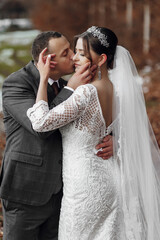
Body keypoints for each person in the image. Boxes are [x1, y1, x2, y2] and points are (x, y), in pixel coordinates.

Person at [27, 26, 160, 239]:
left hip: (85, 188)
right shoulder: (115, 90)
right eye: (75, 52)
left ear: (101, 59)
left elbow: (41, 122)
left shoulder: (86, 92)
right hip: (110, 180)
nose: (75, 58)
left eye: (81, 53)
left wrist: (43, 79)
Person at [0, 31, 113, 240]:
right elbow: (39, 128)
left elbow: (95, 118)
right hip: (26, 192)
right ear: (47, 60)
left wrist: (112, 137)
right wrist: (70, 90)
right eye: (66, 53)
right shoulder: (17, 84)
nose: (72, 56)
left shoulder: (65, 86)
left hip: (64, 193)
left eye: (72, 50)